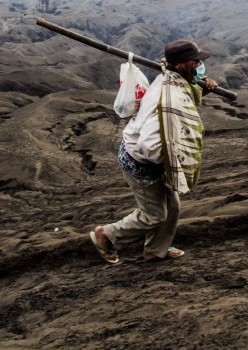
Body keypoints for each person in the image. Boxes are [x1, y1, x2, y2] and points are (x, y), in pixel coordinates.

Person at [90, 39, 218, 263]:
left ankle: (155, 250)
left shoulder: (171, 79)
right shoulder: (168, 97)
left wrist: (201, 88)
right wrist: (170, 161)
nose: (200, 66)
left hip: (151, 158)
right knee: (155, 215)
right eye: (195, 62)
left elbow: (185, 97)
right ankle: (107, 234)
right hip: (141, 162)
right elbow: (149, 146)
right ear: (182, 66)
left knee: (173, 206)